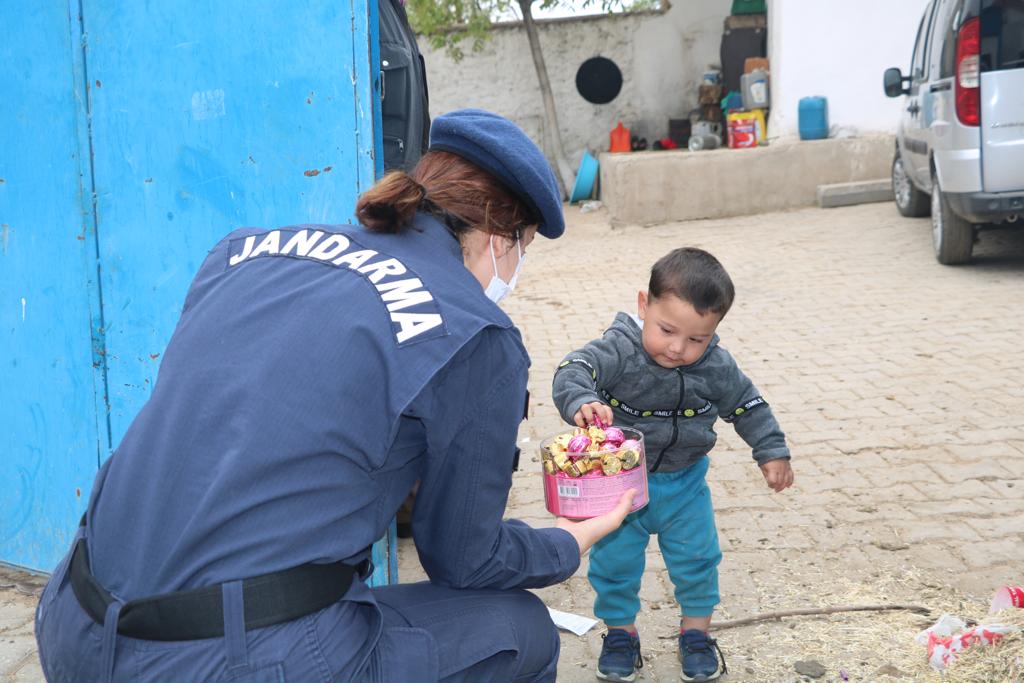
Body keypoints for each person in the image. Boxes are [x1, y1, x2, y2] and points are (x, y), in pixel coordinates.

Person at [34, 109, 634, 683]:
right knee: (520, 630)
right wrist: (565, 543)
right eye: (524, 246)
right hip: (226, 661)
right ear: (501, 237)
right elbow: (464, 558)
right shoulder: (474, 333)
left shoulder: (246, 249)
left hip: (73, 622)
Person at [551, 247, 795, 683]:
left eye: (697, 339)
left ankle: (696, 635)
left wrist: (771, 449)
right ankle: (621, 635)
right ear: (644, 305)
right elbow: (574, 367)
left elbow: (747, 404)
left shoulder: (716, 365)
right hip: (620, 490)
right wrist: (581, 399)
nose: (678, 348)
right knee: (614, 565)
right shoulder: (619, 349)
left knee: (698, 559)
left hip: (685, 487)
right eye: (666, 330)